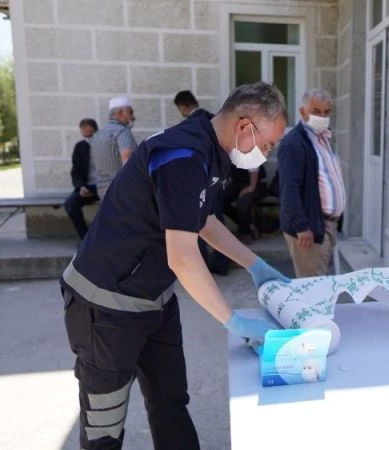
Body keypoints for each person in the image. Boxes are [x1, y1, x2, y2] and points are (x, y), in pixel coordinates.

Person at [59, 81, 290, 450]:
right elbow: (182, 257)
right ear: (245, 126)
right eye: (268, 144)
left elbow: (202, 219)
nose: (266, 154)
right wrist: (232, 321)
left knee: (171, 404)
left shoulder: (212, 149)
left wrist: (256, 265)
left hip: (155, 301)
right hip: (106, 307)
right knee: (104, 431)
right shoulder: (182, 154)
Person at [278, 88, 345, 277]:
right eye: (316, 111)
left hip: (328, 225)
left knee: (323, 283)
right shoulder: (294, 143)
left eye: (326, 112)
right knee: (313, 285)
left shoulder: (324, 139)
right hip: (311, 226)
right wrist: (301, 227)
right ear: (303, 112)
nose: (322, 117)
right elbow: (289, 190)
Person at [173, 90, 231, 275]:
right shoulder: (214, 120)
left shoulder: (187, 126)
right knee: (217, 221)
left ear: (182, 106)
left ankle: (203, 264)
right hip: (218, 179)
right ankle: (222, 263)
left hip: (198, 182)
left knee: (199, 223)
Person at [90, 95, 137, 197]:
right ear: (120, 112)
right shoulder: (122, 131)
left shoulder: (98, 134)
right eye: (130, 112)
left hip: (103, 191)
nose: (133, 117)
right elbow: (128, 158)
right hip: (122, 191)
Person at [63, 118, 99, 240]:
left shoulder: (104, 145)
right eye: (85, 134)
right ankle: (86, 239)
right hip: (88, 187)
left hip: (105, 186)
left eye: (91, 134)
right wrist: (81, 187)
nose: (89, 138)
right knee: (70, 204)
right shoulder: (80, 147)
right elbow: (76, 171)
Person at [223, 163, 267, 244]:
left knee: (243, 202)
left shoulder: (249, 154)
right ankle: (247, 225)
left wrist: (251, 187)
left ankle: (246, 233)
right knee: (220, 200)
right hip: (236, 183)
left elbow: (254, 166)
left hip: (256, 183)